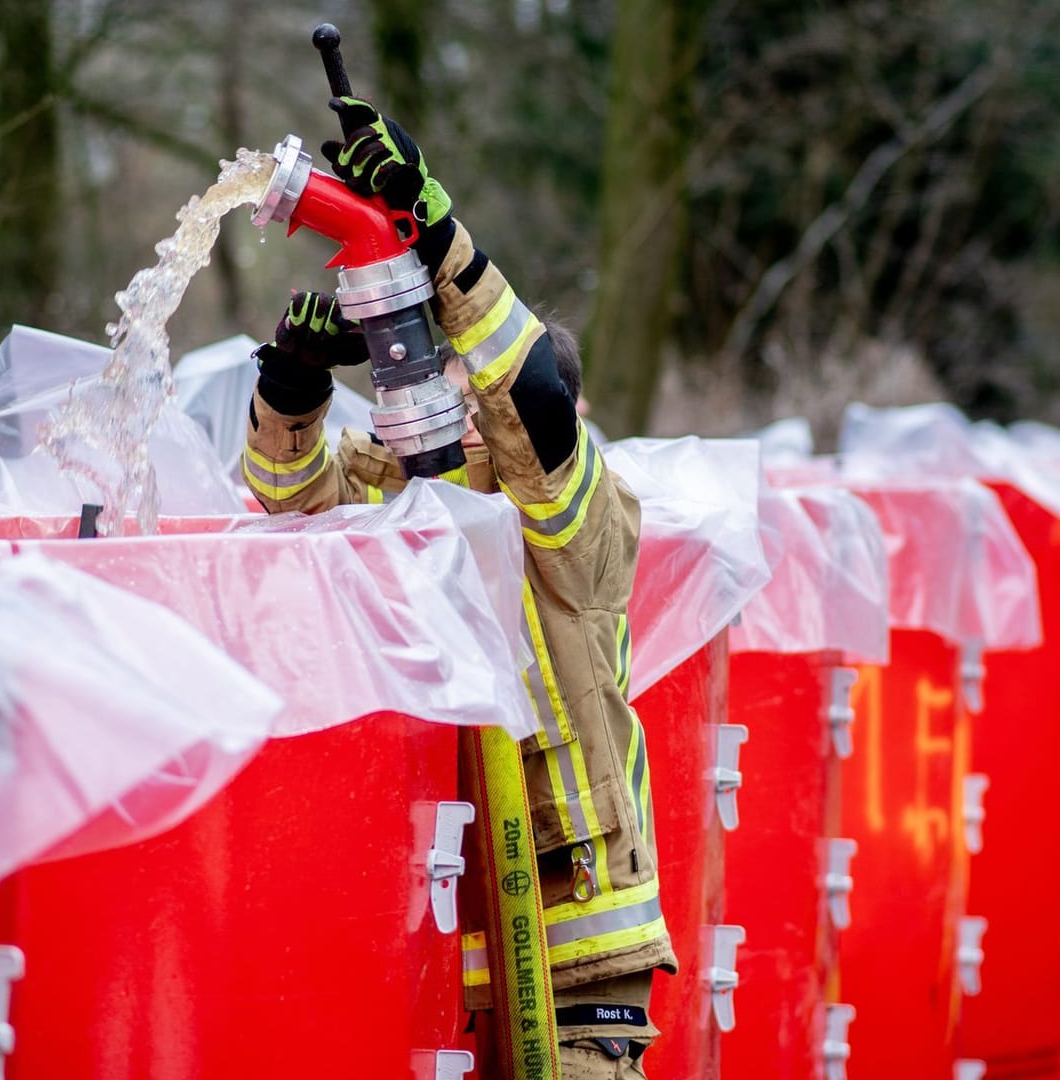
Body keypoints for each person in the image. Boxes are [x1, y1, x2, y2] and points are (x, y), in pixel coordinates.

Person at [241, 98, 673, 1078]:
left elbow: (533, 413)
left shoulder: (583, 521)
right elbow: (294, 523)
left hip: (575, 985)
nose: (470, 423)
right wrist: (293, 396)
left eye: (484, 410)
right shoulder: (410, 494)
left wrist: (439, 236)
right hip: (441, 981)